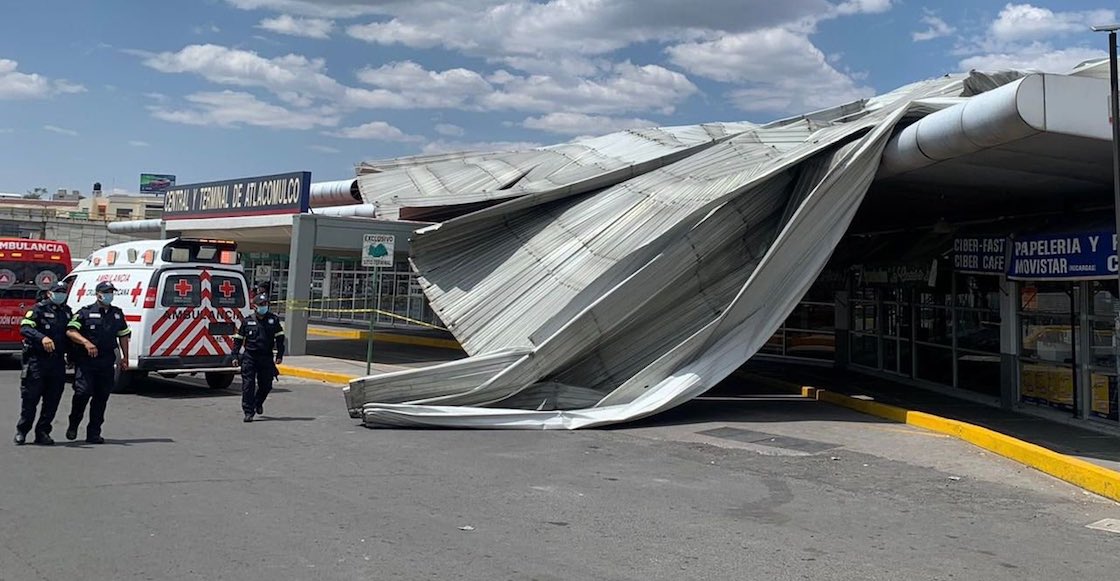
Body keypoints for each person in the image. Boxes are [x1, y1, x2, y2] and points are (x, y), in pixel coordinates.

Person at [65, 281, 130, 444]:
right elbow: (71, 331)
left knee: (101, 398)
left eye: (111, 292)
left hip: (107, 361)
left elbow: (123, 335)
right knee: (82, 393)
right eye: (106, 292)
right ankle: (73, 424)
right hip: (87, 361)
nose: (110, 295)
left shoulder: (117, 314)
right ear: (98, 294)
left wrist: (125, 357)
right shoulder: (85, 312)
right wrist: (86, 342)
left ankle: (94, 433)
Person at [14, 281, 74, 445]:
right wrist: (42, 338)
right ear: (49, 293)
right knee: (30, 399)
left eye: (63, 292)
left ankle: (42, 432)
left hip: (57, 363)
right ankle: (22, 431)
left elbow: (70, 335)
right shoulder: (38, 309)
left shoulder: (67, 312)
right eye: (58, 291)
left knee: (52, 401)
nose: (61, 294)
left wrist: (73, 355)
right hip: (37, 361)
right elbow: (25, 328)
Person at [233, 294, 285, 422]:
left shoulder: (273, 320)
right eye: (261, 305)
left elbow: (280, 339)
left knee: (266, 385)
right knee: (248, 385)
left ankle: (258, 402)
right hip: (250, 357)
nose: (264, 307)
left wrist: (279, 355)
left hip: (266, 357)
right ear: (255, 306)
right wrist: (234, 355)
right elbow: (238, 340)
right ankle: (248, 412)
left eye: (265, 304)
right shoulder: (247, 321)